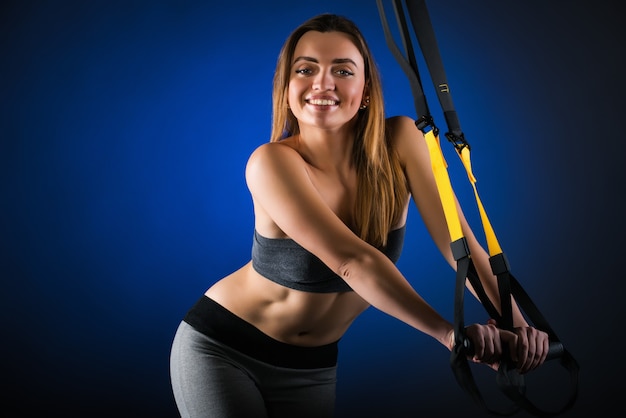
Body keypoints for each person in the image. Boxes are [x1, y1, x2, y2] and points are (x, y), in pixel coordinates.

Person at [169, 13, 549, 418]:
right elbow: (353, 262)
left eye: (342, 70)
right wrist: (451, 335)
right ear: (286, 89)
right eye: (305, 69)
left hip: (312, 367)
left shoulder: (401, 141)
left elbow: (462, 246)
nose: (322, 83)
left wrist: (516, 325)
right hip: (224, 349)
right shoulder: (271, 163)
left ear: (365, 91)